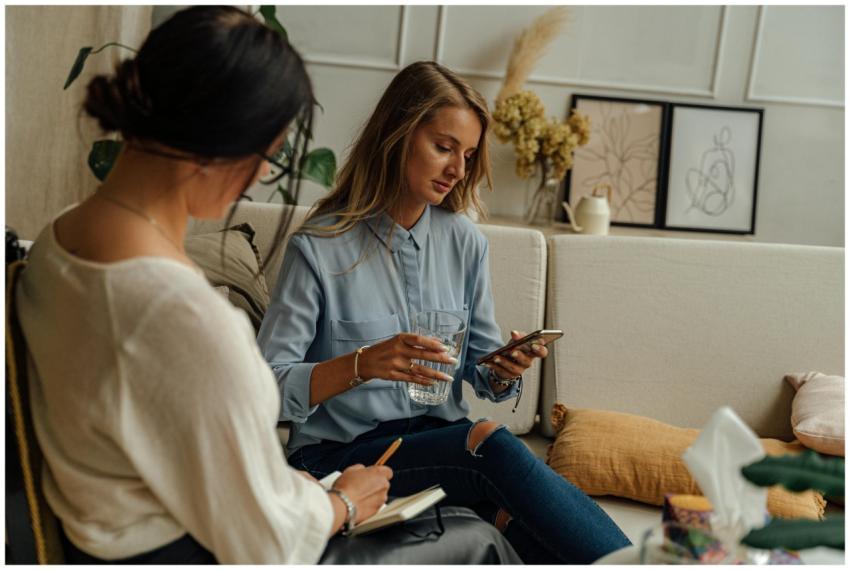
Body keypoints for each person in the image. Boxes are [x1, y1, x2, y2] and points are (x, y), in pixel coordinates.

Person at [16, 6, 395, 564]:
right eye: (268, 154)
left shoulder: (58, 240)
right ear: (217, 144)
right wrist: (345, 502)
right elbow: (268, 544)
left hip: (112, 529)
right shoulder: (180, 314)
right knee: (471, 545)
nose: (265, 173)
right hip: (178, 550)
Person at [258, 60, 632, 564]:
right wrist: (361, 365)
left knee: (521, 530)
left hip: (439, 447)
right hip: (342, 456)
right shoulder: (319, 248)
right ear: (398, 135)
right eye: (444, 147)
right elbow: (267, 390)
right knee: (488, 443)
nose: (458, 169)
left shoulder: (465, 243)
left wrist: (503, 369)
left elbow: (482, 371)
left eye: (469, 154)